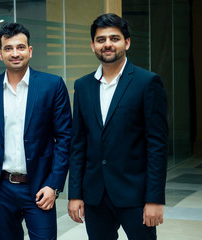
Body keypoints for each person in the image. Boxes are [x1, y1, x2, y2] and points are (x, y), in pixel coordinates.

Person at [68, 13, 168, 240]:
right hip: (95, 196)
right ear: (93, 45)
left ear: (127, 42)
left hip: (135, 195)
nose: (108, 44)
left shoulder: (147, 82)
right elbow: (78, 144)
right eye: (101, 40)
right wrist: (75, 195)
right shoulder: (83, 86)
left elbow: (157, 145)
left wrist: (154, 199)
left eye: (115, 38)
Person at [0, 22, 72, 240]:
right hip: (1, 190)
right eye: (8, 48)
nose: (15, 53)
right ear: (0, 54)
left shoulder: (52, 85)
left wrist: (53, 185)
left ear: (30, 51)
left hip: (39, 188)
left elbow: (65, 139)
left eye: (20, 47)